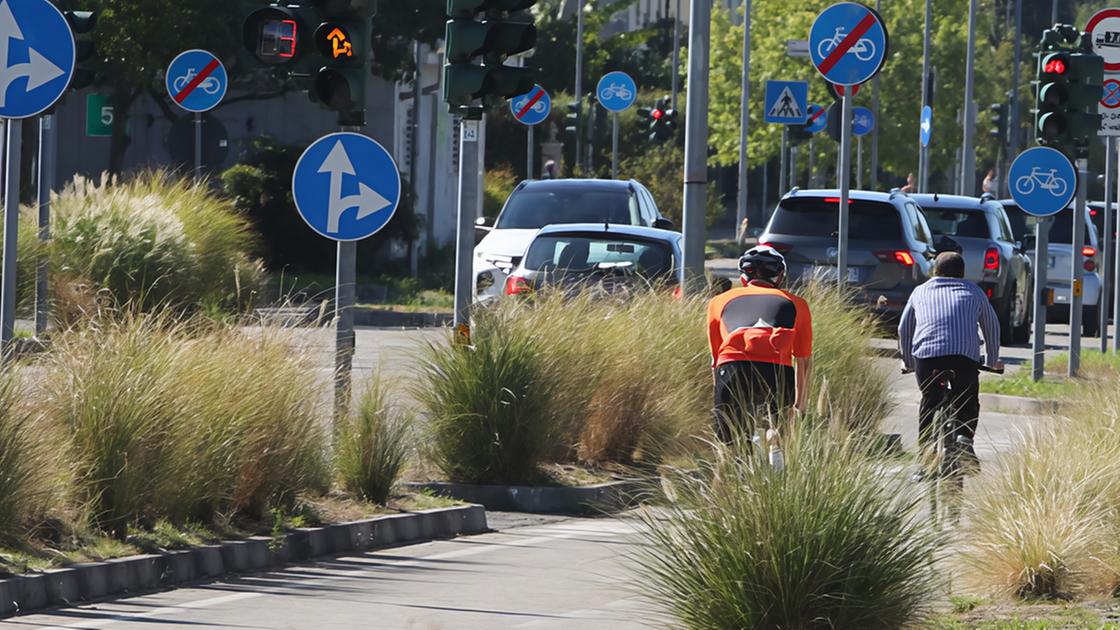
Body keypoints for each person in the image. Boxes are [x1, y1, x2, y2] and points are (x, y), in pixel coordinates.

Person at [898, 251, 1003, 475]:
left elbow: (904, 328)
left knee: (930, 401)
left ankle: (924, 461)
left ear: (935, 270)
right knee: (967, 401)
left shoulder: (920, 291)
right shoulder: (974, 291)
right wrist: (993, 360)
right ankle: (964, 439)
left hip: (927, 358)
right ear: (963, 273)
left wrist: (907, 361)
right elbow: (992, 326)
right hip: (963, 358)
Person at [707, 246, 813, 442]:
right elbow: (803, 361)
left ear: (743, 277)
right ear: (780, 277)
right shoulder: (798, 304)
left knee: (730, 442)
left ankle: (729, 464)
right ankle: (777, 453)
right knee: (780, 433)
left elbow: (716, 359)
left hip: (732, 368)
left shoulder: (718, 302)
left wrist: (720, 398)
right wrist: (799, 406)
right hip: (777, 370)